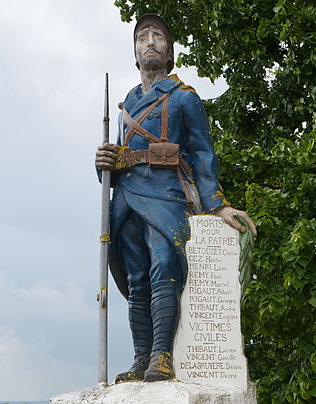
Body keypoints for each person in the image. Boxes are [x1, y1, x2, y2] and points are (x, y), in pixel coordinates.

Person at [95, 13, 256, 383]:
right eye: (142, 37)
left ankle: (162, 356)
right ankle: (141, 359)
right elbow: (118, 161)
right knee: (136, 279)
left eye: (158, 37)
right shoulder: (125, 106)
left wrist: (217, 204)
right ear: (135, 53)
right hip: (127, 200)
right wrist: (105, 161)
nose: (149, 41)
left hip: (166, 197)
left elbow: (202, 154)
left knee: (164, 268)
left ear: (169, 53)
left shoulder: (184, 98)